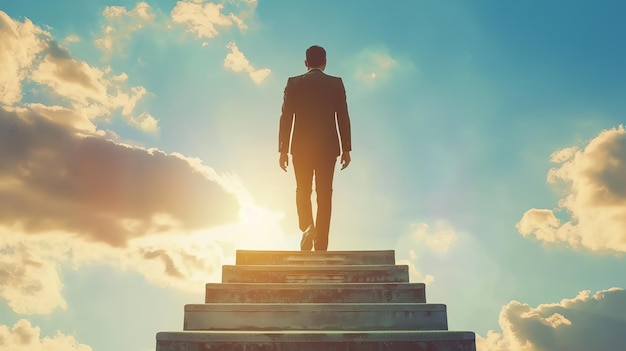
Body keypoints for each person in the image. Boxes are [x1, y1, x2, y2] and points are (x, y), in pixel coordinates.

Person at [278, 45, 352, 251]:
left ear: (305, 63)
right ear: (325, 62)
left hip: (300, 147)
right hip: (328, 148)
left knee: (302, 190)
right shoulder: (335, 83)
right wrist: (346, 148)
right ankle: (321, 245)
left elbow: (286, 117)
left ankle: (307, 226)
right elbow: (342, 116)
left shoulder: (293, 83)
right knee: (325, 194)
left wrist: (283, 149)